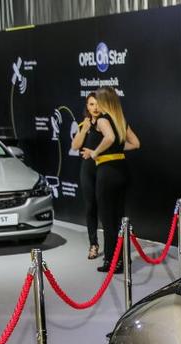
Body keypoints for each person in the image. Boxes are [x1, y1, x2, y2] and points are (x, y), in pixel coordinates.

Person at [83, 87, 139, 273]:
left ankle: (112, 261)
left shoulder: (103, 119)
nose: (96, 105)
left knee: (108, 219)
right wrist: (116, 150)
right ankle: (121, 260)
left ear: (105, 101)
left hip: (107, 172)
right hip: (122, 170)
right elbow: (135, 143)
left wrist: (96, 153)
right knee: (119, 218)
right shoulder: (120, 119)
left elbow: (110, 137)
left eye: (98, 100)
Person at [71, 93, 102, 259]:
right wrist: (84, 129)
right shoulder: (83, 124)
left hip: (105, 169)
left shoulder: (106, 123)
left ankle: (115, 247)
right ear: (87, 107)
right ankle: (93, 244)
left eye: (97, 104)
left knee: (106, 208)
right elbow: (75, 146)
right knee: (91, 208)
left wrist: (95, 153)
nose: (95, 108)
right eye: (91, 104)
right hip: (88, 171)